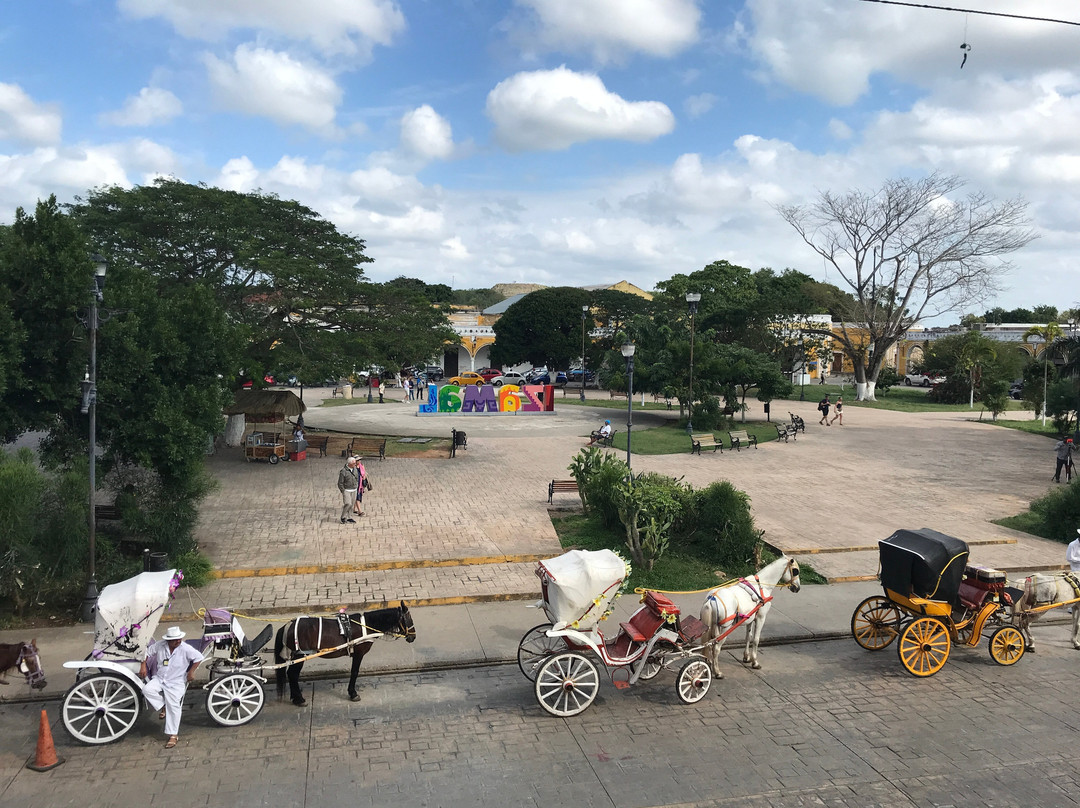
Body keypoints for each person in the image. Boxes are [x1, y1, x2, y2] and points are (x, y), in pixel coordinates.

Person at [139, 625, 204, 749]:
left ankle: (173, 735)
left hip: (176, 681)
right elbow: (147, 652)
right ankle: (163, 706)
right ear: (168, 640)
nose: (178, 641)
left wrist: (191, 671)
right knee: (147, 690)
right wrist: (143, 665)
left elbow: (198, 657)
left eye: (179, 638)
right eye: (175, 639)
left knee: (174, 706)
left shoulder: (185, 648)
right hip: (160, 678)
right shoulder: (160, 645)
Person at [338, 456, 359, 523]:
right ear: (349, 464)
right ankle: (343, 516)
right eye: (353, 463)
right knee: (348, 503)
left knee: (352, 504)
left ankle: (349, 517)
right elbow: (340, 482)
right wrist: (343, 490)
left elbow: (357, 477)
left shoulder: (355, 469)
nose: (355, 464)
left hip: (354, 489)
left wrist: (356, 485)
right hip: (346, 490)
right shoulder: (343, 471)